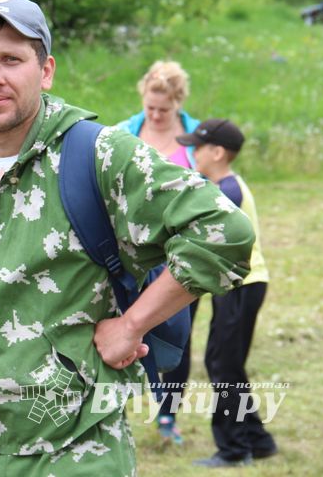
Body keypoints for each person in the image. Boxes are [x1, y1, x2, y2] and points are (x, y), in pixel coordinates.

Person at [0, 0, 255, 476]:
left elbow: (223, 229)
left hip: (78, 448)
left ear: (45, 71)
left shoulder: (99, 156)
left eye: (12, 59)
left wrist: (132, 325)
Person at [175, 119, 278, 468]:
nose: (192, 153)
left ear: (217, 152)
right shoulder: (226, 186)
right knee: (227, 362)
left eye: (197, 147)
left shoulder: (227, 192)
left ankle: (234, 450)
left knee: (222, 366)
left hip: (240, 286)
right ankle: (258, 440)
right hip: (239, 286)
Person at [116, 60, 200, 444]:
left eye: (163, 109)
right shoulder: (124, 134)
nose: (155, 114)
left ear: (177, 102)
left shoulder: (197, 137)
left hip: (185, 255)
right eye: (150, 107)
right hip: (138, 253)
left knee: (180, 333)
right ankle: (129, 403)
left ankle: (169, 416)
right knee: (133, 326)